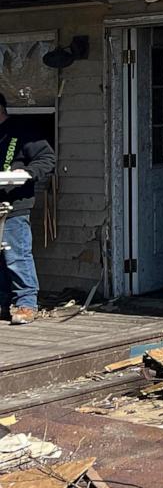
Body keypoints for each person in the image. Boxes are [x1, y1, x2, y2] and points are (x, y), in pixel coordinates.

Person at [0, 93, 56, 325]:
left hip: (13, 204)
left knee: (16, 255)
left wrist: (26, 173)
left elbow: (47, 159)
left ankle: (27, 303)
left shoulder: (23, 131)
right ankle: (4, 302)